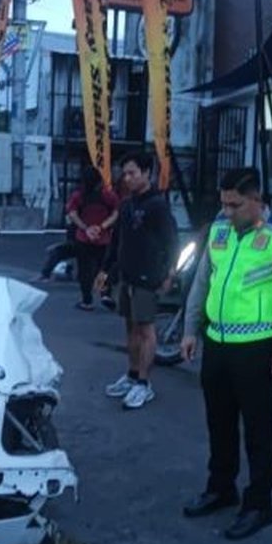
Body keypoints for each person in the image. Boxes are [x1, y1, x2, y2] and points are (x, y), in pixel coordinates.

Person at [178, 167, 272, 541]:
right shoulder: (219, 230)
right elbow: (202, 282)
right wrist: (189, 330)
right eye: (224, 204)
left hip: (259, 348)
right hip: (217, 344)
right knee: (219, 422)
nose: (228, 212)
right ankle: (221, 488)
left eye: (235, 205)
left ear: (256, 200)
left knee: (259, 430)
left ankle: (259, 505)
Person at [96, 152, 177, 410]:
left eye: (133, 173)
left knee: (145, 329)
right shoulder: (127, 204)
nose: (127, 178)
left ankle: (144, 384)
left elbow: (171, 242)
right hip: (127, 275)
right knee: (130, 327)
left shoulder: (158, 205)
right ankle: (131, 376)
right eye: (125, 173)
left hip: (147, 277)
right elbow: (117, 240)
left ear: (147, 173)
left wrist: (169, 274)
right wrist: (106, 270)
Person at [65, 166, 119, 310]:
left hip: (83, 237)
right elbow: (115, 212)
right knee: (102, 268)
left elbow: (72, 213)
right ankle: (104, 293)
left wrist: (86, 228)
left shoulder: (78, 196)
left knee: (84, 270)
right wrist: (102, 227)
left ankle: (87, 300)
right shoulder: (108, 195)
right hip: (103, 238)